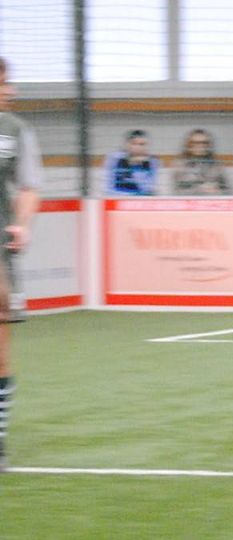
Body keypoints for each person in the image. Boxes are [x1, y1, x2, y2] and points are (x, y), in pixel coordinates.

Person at [0, 57, 43, 471]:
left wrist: (22, 224)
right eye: (3, 83)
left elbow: (29, 186)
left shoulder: (14, 130)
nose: (10, 90)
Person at [171, 129, 231, 196]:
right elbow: (178, 192)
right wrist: (200, 189)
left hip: (212, 201)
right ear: (189, 145)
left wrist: (217, 191)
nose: (200, 146)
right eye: (195, 143)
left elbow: (228, 191)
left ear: (209, 145)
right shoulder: (180, 165)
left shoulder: (217, 165)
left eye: (204, 143)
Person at [103, 129, 160, 196]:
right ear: (127, 144)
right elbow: (108, 188)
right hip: (118, 197)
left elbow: (147, 189)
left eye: (142, 144)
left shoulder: (152, 161)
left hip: (139, 199)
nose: (138, 147)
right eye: (134, 143)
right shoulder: (114, 158)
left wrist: (138, 165)